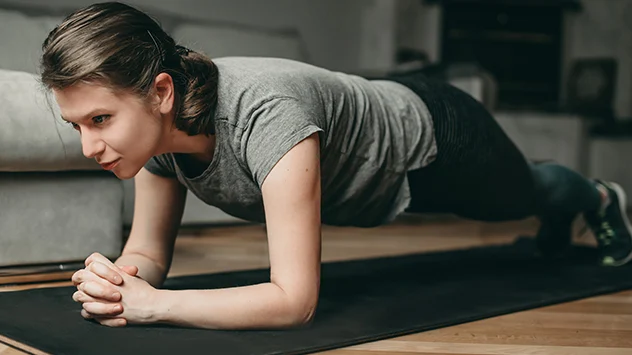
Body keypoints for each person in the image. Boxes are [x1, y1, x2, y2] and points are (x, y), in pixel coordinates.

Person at [39, 2, 632, 330]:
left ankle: (599, 197)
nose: (90, 147)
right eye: (78, 126)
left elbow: (294, 300)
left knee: (527, 192)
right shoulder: (154, 142)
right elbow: (150, 254)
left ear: (162, 93)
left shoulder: (266, 115)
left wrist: (155, 305)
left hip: (438, 139)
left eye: (100, 120)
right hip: (379, 124)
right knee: (528, 200)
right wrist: (121, 282)